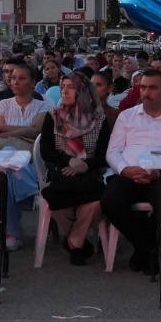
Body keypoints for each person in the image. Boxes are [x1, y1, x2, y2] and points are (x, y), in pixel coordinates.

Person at [100, 68, 161, 276]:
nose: (146, 93)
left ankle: (143, 251)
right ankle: (149, 250)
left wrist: (158, 173)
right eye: (143, 87)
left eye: (152, 88)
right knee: (110, 200)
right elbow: (113, 151)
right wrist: (126, 170)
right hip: (129, 173)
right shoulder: (127, 117)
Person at [37, 73, 111, 265]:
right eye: (63, 87)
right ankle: (78, 241)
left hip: (90, 174)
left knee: (98, 200)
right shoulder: (53, 116)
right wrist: (69, 161)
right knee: (53, 195)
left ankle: (74, 240)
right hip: (60, 172)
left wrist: (85, 165)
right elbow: (46, 151)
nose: (65, 91)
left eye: (71, 87)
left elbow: (104, 154)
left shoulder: (99, 119)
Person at [0, 60, 50, 250]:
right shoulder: (3, 104)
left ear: (32, 83)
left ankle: (13, 234)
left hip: (33, 163)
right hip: (11, 165)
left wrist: (4, 130)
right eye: (13, 78)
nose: (15, 82)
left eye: (21, 78)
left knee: (8, 167)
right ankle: (28, 194)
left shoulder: (43, 105)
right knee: (8, 166)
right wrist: (21, 132)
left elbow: (35, 132)